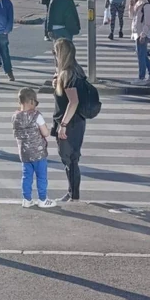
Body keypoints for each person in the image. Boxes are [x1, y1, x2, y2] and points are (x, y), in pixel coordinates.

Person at [52, 37, 86, 202]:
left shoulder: (67, 74)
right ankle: (72, 193)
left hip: (70, 123)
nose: (54, 56)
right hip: (77, 121)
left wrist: (63, 125)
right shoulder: (76, 70)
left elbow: (73, 101)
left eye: (55, 52)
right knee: (72, 159)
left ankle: (73, 195)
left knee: (70, 160)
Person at [12, 88, 57, 209]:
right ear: (31, 101)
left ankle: (27, 199)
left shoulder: (15, 117)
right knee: (41, 177)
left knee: (26, 177)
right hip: (38, 153)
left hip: (24, 153)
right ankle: (42, 199)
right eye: (36, 102)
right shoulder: (37, 116)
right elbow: (46, 133)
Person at [131, 0, 150, 84]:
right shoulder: (138, 3)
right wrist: (131, 6)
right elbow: (132, 16)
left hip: (142, 34)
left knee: (141, 56)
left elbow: (147, 23)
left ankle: (141, 77)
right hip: (136, 33)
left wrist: (143, 34)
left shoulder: (146, 6)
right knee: (142, 55)